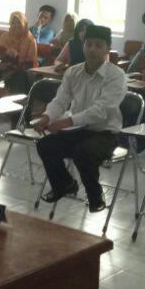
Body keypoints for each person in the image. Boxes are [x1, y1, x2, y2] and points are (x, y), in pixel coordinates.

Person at [35, 25, 126, 213]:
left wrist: (67, 121)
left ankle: (95, 196)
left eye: (98, 45)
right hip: (78, 130)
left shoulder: (116, 75)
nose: (92, 49)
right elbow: (61, 100)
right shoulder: (73, 72)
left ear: (108, 49)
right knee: (45, 145)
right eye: (89, 44)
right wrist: (46, 116)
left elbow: (100, 111)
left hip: (105, 134)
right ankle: (65, 184)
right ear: (83, 45)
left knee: (83, 152)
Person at [0, 11, 38, 94]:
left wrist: (17, 56)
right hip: (8, 67)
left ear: (24, 24)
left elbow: (31, 61)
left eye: (19, 23)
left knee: (19, 76)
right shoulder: (5, 36)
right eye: (13, 23)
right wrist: (8, 52)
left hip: (25, 69)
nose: (16, 25)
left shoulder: (30, 39)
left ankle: (19, 100)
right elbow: (0, 53)